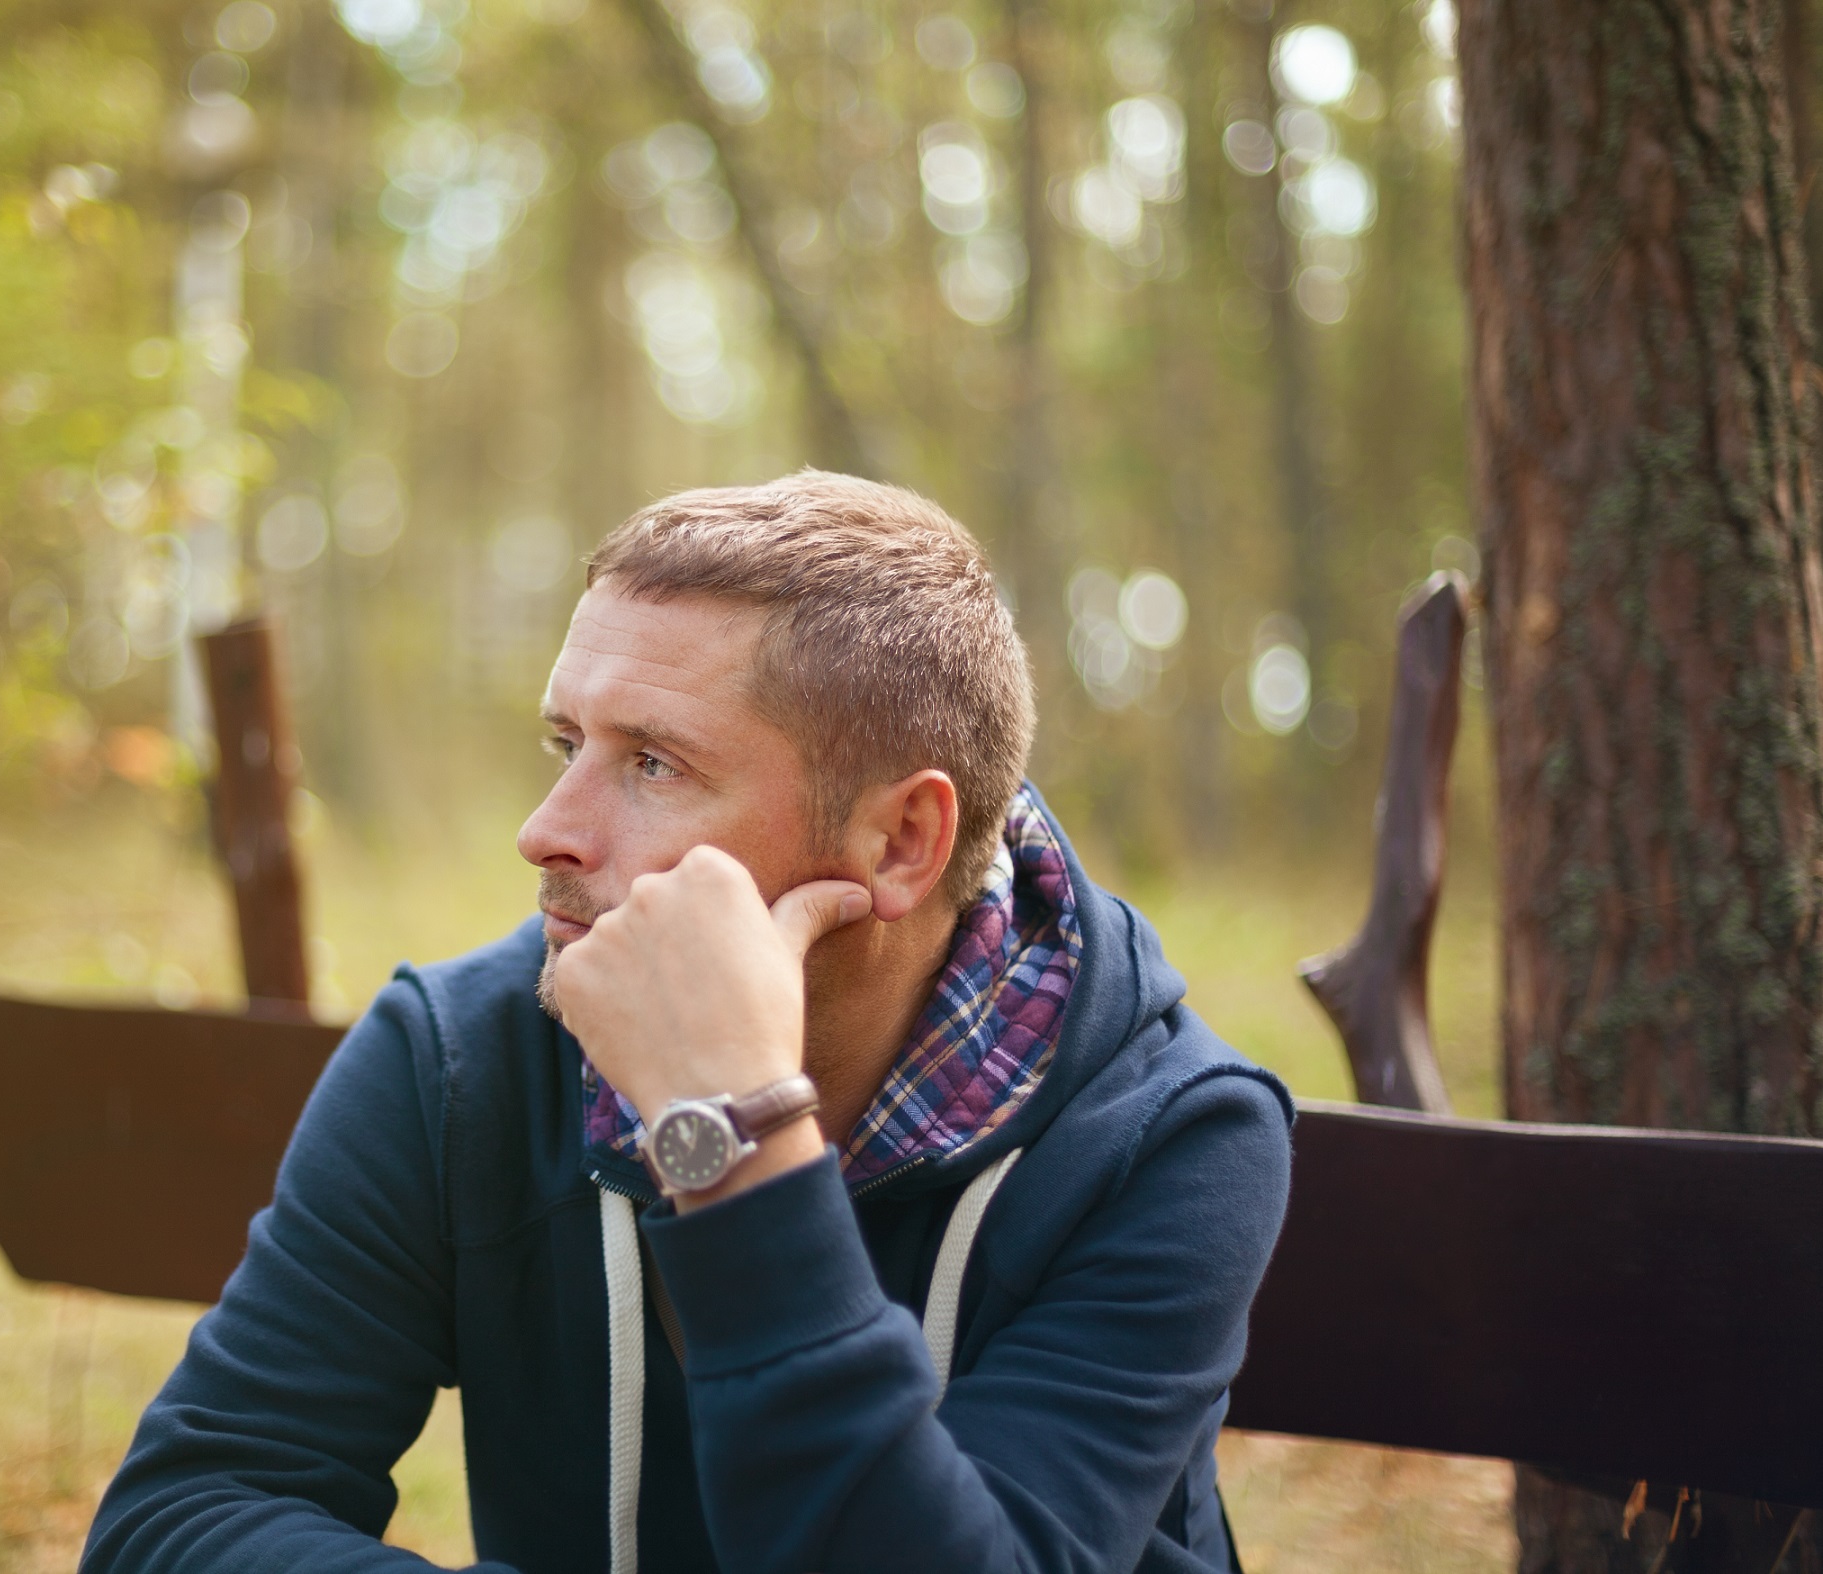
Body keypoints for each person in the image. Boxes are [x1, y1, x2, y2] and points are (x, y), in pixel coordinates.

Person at [82, 471, 1292, 1574]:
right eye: (567, 741)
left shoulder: (1170, 1139)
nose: (546, 827)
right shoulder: (458, 1059)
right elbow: (185, 1511)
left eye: (653, 762)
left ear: (900, 841)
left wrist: (732, 1131)